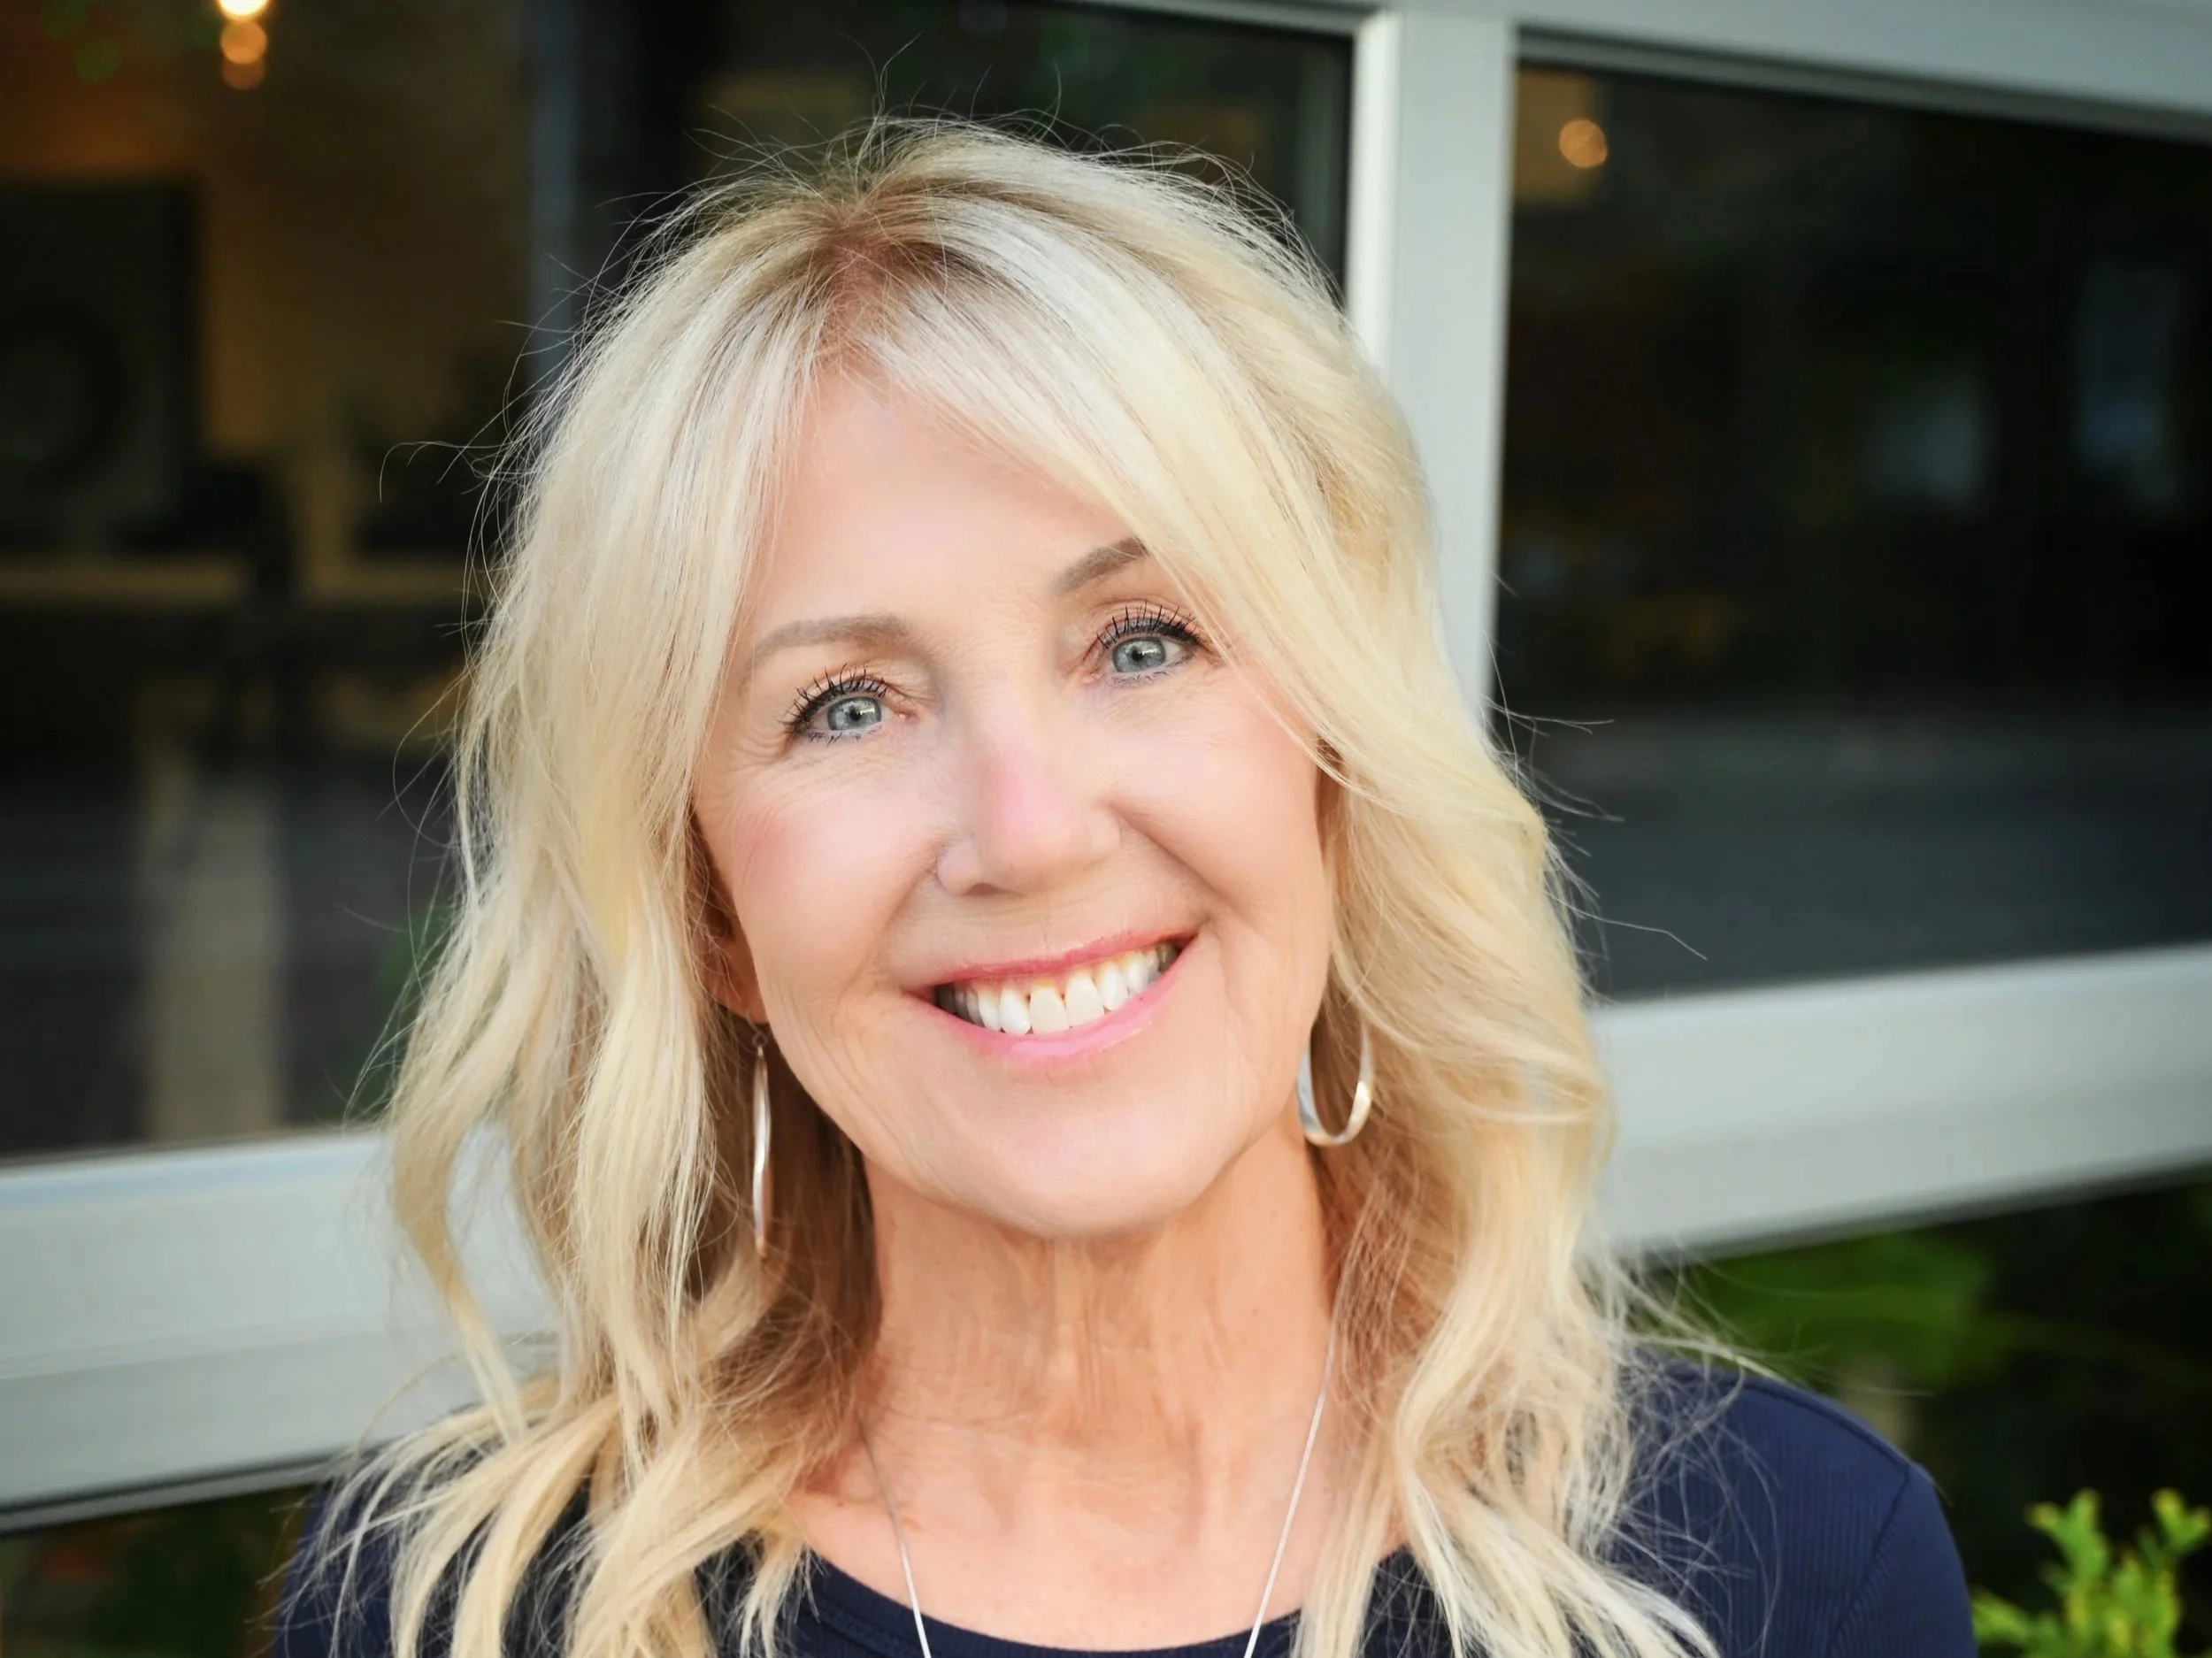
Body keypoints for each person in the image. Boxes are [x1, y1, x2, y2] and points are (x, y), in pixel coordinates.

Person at [274, 120, 1976, 1658]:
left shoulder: (1791, 1571)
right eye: (847, 705)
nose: (1027, 831)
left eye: (1141, 640)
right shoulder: (451, 1609)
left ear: (1332, 767)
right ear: (710, 909)